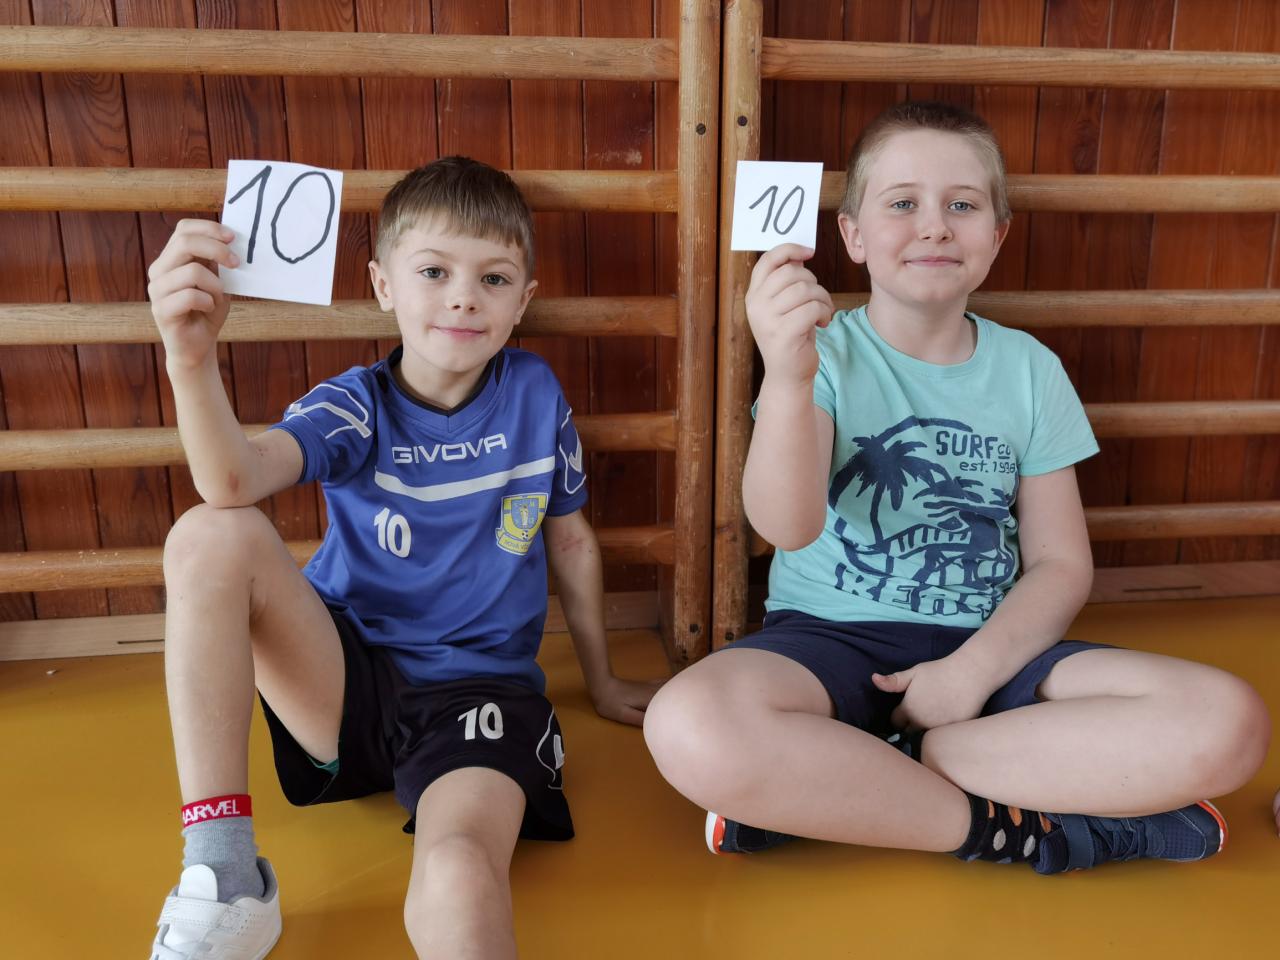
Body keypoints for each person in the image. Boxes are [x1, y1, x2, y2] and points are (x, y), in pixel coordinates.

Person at [643, 101, 1269, 874]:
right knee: (690, 722)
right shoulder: (822, 356)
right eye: (903, 203)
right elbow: (787, 525)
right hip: (828, 644)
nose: (935, 227)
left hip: (995, 651)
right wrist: (790, 376)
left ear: (997, 236)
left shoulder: (1031, 370)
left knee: (1229, 721)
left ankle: (862, 778)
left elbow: (1061, 566)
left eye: (963, 206)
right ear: (853, 236)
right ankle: (1022, 832)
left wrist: (970, 674)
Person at [146, 156, 661, 959]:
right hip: (343, 678)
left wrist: (601, 679)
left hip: (479, 696)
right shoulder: (357, 404)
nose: (463, 296)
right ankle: (225, 873)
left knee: (460, 871)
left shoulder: (536, 393)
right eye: (433, 271)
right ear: (383, 285)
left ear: (523, 301)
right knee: (209, 532)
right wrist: (189, 358)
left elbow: (568, 537)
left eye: (494, 278)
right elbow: (232, 480)